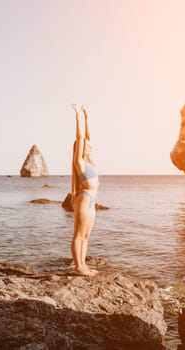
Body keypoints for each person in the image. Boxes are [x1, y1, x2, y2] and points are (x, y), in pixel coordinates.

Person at [71, 103, 99, 276]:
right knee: (79, 235)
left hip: (92, 201)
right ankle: (78, 266)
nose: (90, 145)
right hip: (84, 198)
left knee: (86, 236)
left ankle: (83, 265)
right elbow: (81, 137)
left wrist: (88, 118)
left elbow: (88, 137)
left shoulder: (91, 162)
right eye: (86, 145)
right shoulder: (79, 164)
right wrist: (78, 116)